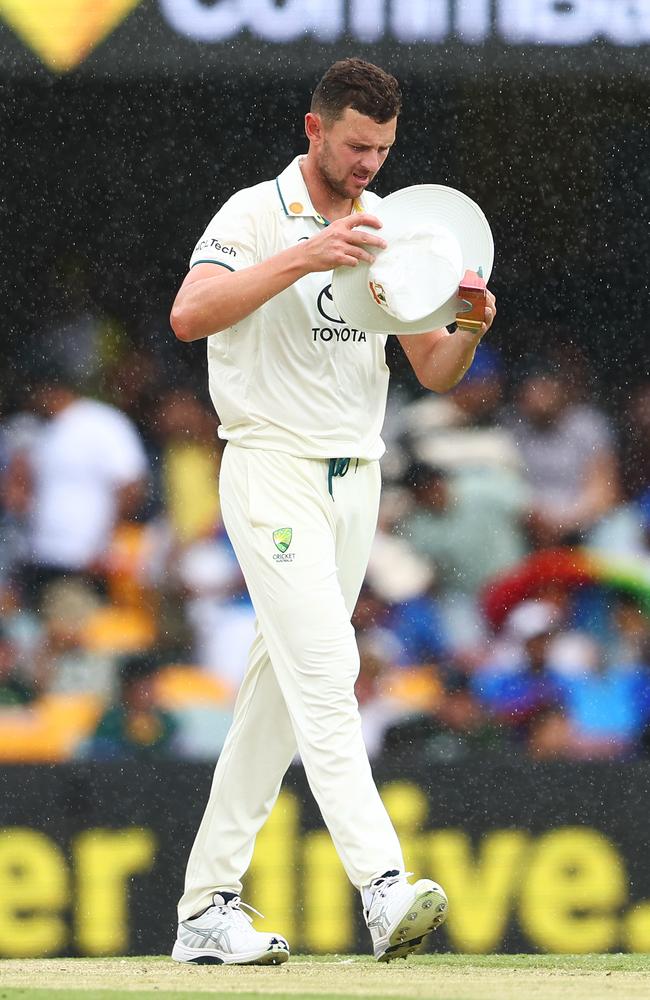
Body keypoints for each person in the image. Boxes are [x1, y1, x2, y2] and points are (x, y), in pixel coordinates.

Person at [169, 58, 496, 966]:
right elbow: (189, 315)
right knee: (327, 671)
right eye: (356, 146)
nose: (368, 165)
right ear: (314, 129)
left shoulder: (392, 227)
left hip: (358, 479)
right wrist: (305, 255)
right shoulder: (253, 213)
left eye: (384, 150)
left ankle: (206, 909)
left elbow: (432, 367)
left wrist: (466, 326)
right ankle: (383, 888)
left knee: (276, 701)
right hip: (270, 465)